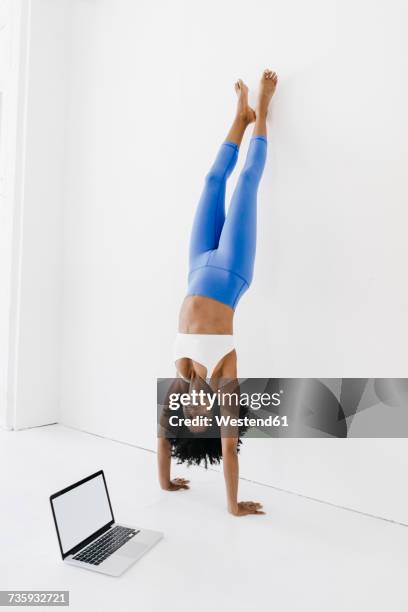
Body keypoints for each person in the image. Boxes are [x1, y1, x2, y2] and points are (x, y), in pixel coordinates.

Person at [158, 69, 278, 516]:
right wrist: (232, 505)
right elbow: (230, 451)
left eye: (183, 415)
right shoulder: (225, 380)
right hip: (231, 271)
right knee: (246, 182)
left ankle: (241, 117)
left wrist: (167, 482)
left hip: (195, 265)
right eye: (196, 415)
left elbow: (162, 443)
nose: (189, 409)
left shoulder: (178, 378)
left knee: (212, 182)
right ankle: (263, 109)